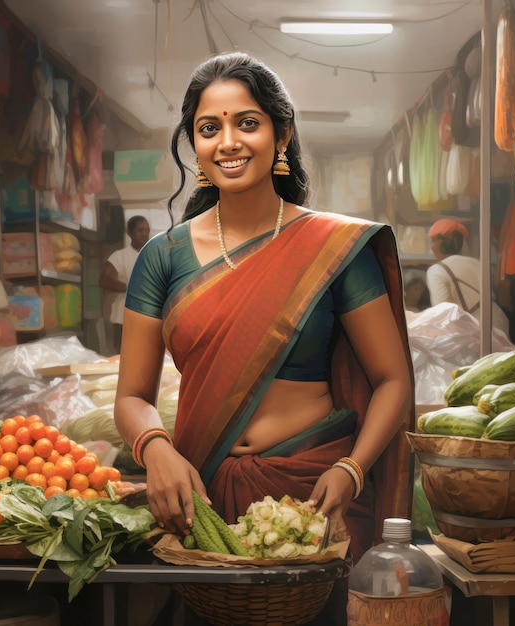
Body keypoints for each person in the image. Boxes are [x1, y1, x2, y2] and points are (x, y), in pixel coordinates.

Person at [113, 52, 414, 624]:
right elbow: (132, 396)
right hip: (203, 497)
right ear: (194, 145)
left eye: (247, 122)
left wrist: (352, 470)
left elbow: (392, 380)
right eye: (209, 128)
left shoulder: (333, 249)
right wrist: (156, 450)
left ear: (282, 133)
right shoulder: (162, 257)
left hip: (316, 495)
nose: (229, 141)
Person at [426, 218, 510, 336]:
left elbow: (443, 313)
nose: (432, 247)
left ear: (443, 242)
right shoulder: (477, 263)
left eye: (433, 241)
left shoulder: (436, 270)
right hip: (499, 323)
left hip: (475, 332)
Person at [99, 215, 150, 353]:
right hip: (124, 319)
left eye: (147, 230)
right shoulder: (120, 256)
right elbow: (104, 280)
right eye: (140, 230)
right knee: (124, 357)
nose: (144, 233)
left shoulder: (152, 254)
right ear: (130, 233)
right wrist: (128, 288)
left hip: (148, 318)